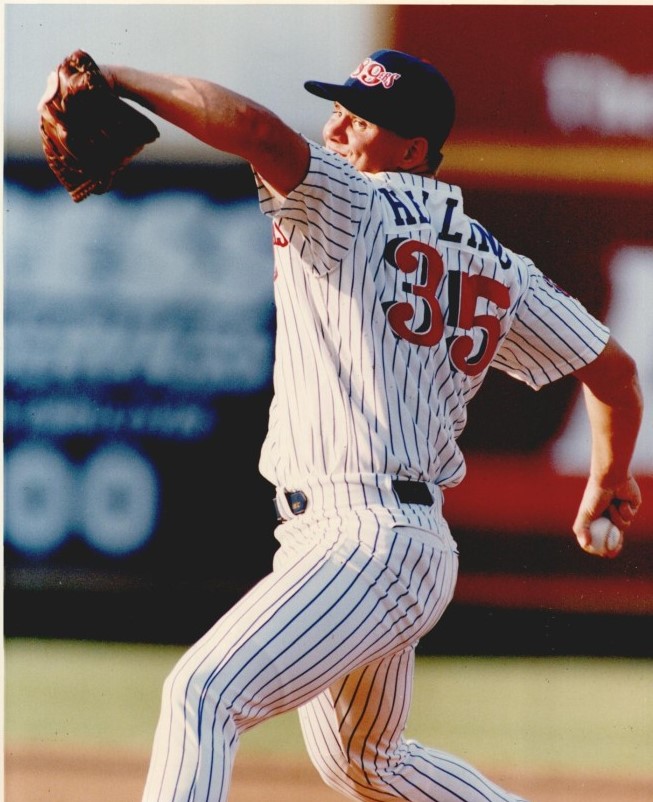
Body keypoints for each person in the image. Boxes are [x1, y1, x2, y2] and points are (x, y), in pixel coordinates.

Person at [101, 49, 643, 802]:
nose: (335, 127)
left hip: (361, 540)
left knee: (202, 694)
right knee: (366, 762)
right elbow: (613, 373)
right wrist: (608, 478)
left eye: (360, 118)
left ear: (411, 150)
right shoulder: (500, 264)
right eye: (338, 108)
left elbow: (256, 129)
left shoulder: (347, 202)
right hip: (395, 544)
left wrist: (120, 77)